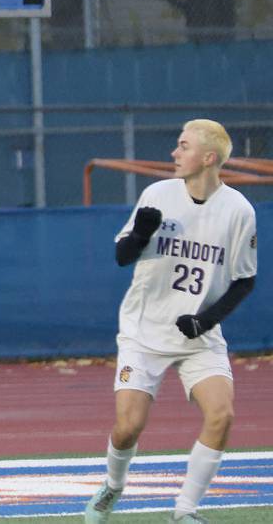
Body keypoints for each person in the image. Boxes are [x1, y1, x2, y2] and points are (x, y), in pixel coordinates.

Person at [84, 119, 257, 524]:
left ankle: (184, 511)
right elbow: (122, 256)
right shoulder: (158, 193)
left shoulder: (238, 210)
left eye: (183, 146)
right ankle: (112, 486)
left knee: (222, 415)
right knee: (128, 427)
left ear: (208, 158)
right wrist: (141, 235)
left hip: (199, 336)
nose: (174, 154)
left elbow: (244, 280)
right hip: (144, 334)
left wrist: (205, 320)